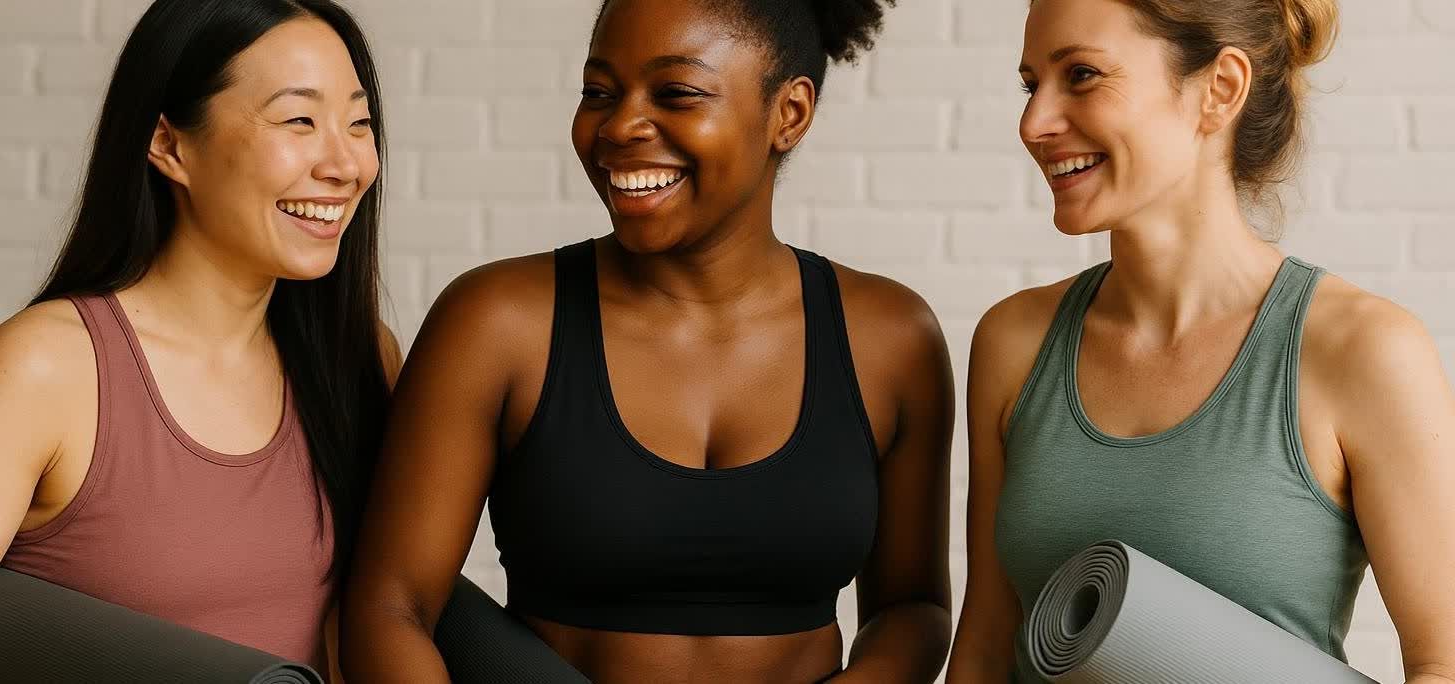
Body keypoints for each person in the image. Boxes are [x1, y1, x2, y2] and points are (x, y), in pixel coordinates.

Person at [340, 0, 955, 682]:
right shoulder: (497, 322)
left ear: (790, 113)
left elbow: (912, 607)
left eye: (676, 93)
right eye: (599, 92)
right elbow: (390, 605)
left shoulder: (893, 338)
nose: (621, 124)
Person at [946, 0, 1455, 681]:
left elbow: (1443, 663)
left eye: (1083, 75)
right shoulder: (1015, 341)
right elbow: (983, 645)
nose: (1034, 123)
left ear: (1219, 90)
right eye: (1030, 83)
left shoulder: (1363, 352)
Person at [0, 0, 396, 680]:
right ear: (170, 145)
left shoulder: (357, 358)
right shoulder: (45, 369)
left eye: (358, 123)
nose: (344, 162)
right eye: (299, 120)